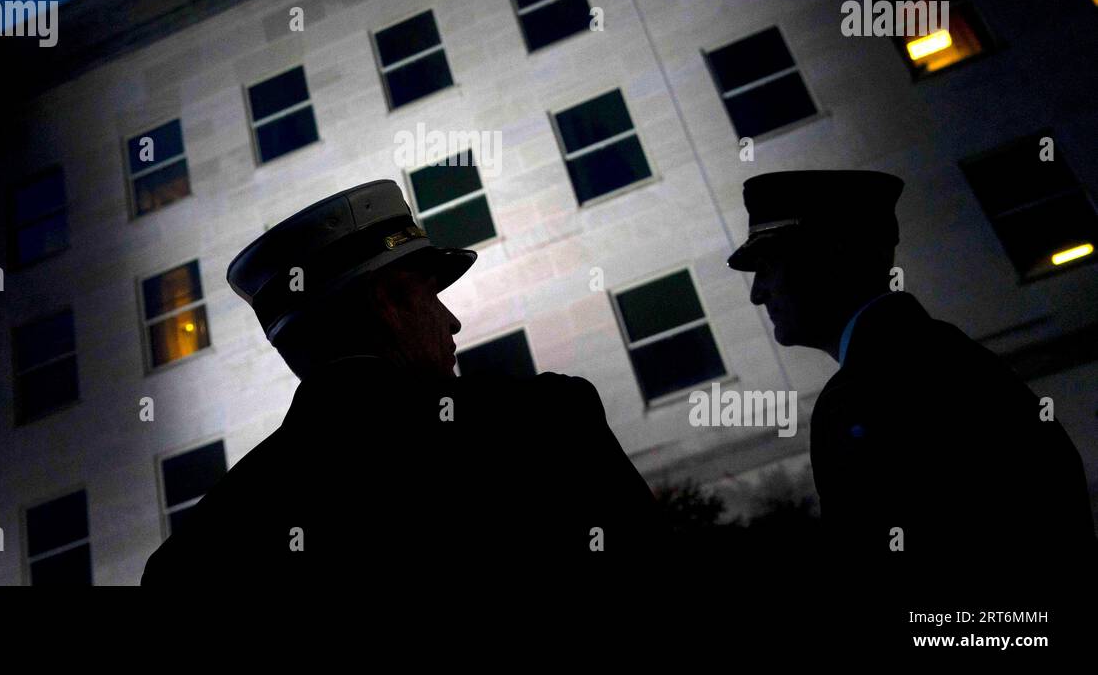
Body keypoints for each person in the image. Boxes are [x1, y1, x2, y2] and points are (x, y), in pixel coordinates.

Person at [141, 179, 656, 585]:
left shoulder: (197, 554)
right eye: (432, 296)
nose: (451, 321)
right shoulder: (546, 425)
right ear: (389, 303)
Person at [727, 170, 1095, 594]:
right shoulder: (940, 356)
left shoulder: (867, 392)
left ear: (829, 258)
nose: (758, 293)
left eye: (769, 267)